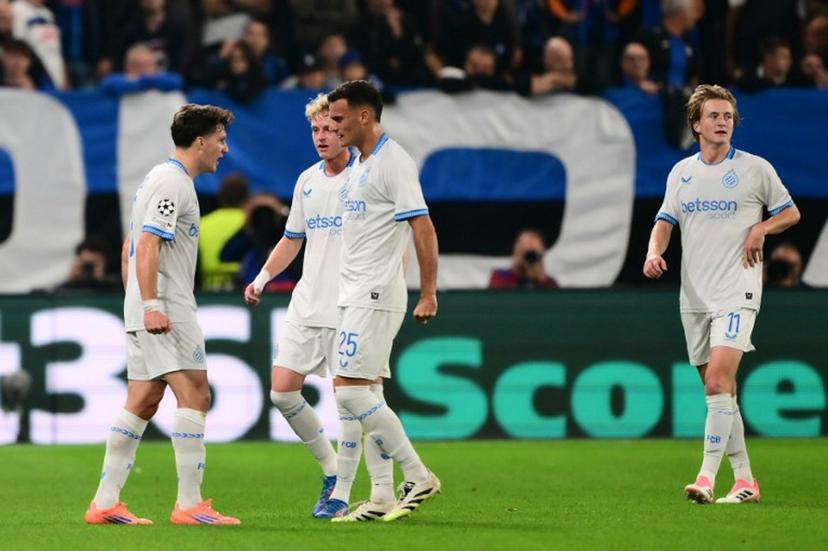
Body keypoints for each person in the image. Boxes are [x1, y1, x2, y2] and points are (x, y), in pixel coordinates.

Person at [643, 84, 800, 505]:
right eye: (714, 116)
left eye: (728, 117)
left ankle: (706, 477)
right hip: (694, 293)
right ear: (696, 124)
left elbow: (790, 212)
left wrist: (761, 227)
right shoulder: (682, 172)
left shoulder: (754, 169)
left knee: (717, 379)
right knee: (720, 393)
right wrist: (654, 251)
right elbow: (665, 220)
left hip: (738, 288)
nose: (722, 123)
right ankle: (746, 481)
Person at [84, 104, 240, 525]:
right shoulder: (174, 183)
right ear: (201, 141)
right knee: (196, 394)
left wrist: (136, 299)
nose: (225, 149)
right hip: (166, 307)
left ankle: (103, 503)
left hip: (146, 304)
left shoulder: (157, 179)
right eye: (221, 140)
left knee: (143, 399)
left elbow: (128, 247)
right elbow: (148, 243)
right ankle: (189, 504)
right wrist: (152, 304)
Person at [244, 93, 395, 521]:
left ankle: (351, 493)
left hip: (353, 305)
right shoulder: (307, 180)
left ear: (347, 130)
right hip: (308, 303)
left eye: (330, 128)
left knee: (355, 400)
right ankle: (332, 469)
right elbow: (294, 238)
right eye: (316, 129)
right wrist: (261, 278)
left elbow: (394, 235)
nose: (322, 136)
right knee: (281, 391)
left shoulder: (366, 178)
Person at [326, 80, 441, 523]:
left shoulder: (394, 162)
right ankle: (380, 496)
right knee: (366, 390)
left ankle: (417, 474)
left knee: (350, 390)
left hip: (374, 294)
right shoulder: (359, 165)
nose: (332, 126)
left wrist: (428, 291)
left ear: (363, 117)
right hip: (355, 293)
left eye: (338, 118)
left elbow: (423, 227)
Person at [199, 173, 249, 291]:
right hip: (243, 288)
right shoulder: (250, 222)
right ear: (246, 196)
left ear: (220, 196)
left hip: (206, 290)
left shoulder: (201, 224)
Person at [489, 229, 558, 289]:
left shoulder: (550, 283)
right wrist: (516, 272)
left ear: (542, 253)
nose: (526, 256)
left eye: (531, 253)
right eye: (522, 246)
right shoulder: (500, 276)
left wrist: (540, 280)